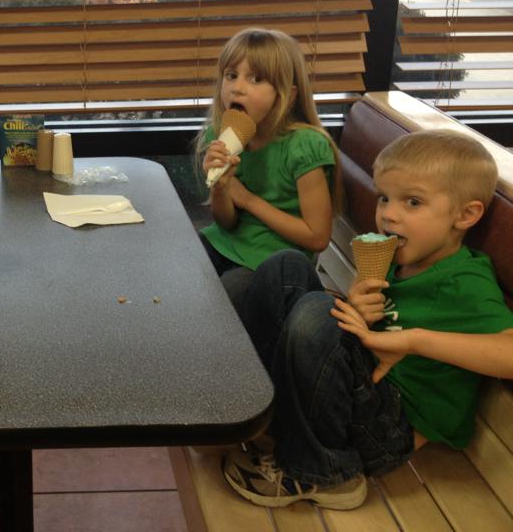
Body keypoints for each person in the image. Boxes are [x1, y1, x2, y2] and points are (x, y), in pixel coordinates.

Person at [223, 129, 513, 510]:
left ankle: (326, 474)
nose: (388, 213)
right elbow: (357, 329)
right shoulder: (394, 258)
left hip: (390, 430)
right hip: (356, 395)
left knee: (316, 314)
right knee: (285, 267)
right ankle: (266, 412)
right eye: (384, 198)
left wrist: (413, 341)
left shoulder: (465, 281)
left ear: (466, 215)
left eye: (412, 202)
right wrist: (356, 306)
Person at [196, 27, 342, 303]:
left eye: (256, 79)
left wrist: (247, 199)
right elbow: (226, 223)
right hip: (226, 244)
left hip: (276, 264)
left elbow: (318, 237)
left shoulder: (304, 146)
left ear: (286, 95)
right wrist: (221, 188)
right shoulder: (222, 134)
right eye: (231, 75)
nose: (238, 87)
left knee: (222, 299)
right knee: (179, 270)